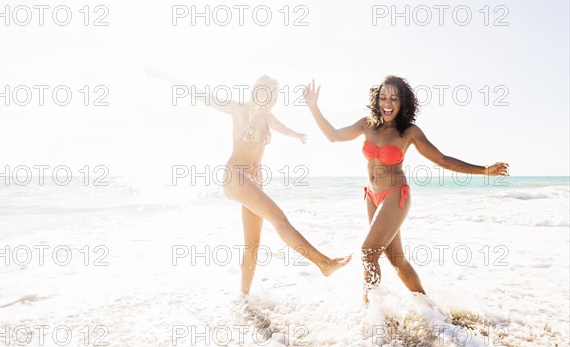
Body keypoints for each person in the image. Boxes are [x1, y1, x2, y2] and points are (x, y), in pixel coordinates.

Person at [303, 75, 509, 303]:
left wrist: (484, 171)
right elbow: (333, 136)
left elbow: (442, 159)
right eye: (383, 98)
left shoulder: (409, 132)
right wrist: (313, 107)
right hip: (372, 196)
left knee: (368, 253)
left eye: (393, 98)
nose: (387, 104)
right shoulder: (367, 124)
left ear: (403, 103)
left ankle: (373, 315)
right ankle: (429, 309)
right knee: (396, 260)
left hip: (395, 196)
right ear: (376, 100)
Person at [147, 67, 351, 295]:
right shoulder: (239, 110)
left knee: (253, 245)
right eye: (271, 93)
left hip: (255, 181)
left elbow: (282, 128)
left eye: (277, 94)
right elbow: (202, 95)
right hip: (235, 176)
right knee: (278, 218)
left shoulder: (268, 118)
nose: (274, 99)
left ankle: (243, 298)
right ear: (260, 92)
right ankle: (324, 263)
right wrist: (164, 76)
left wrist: (295, 134)